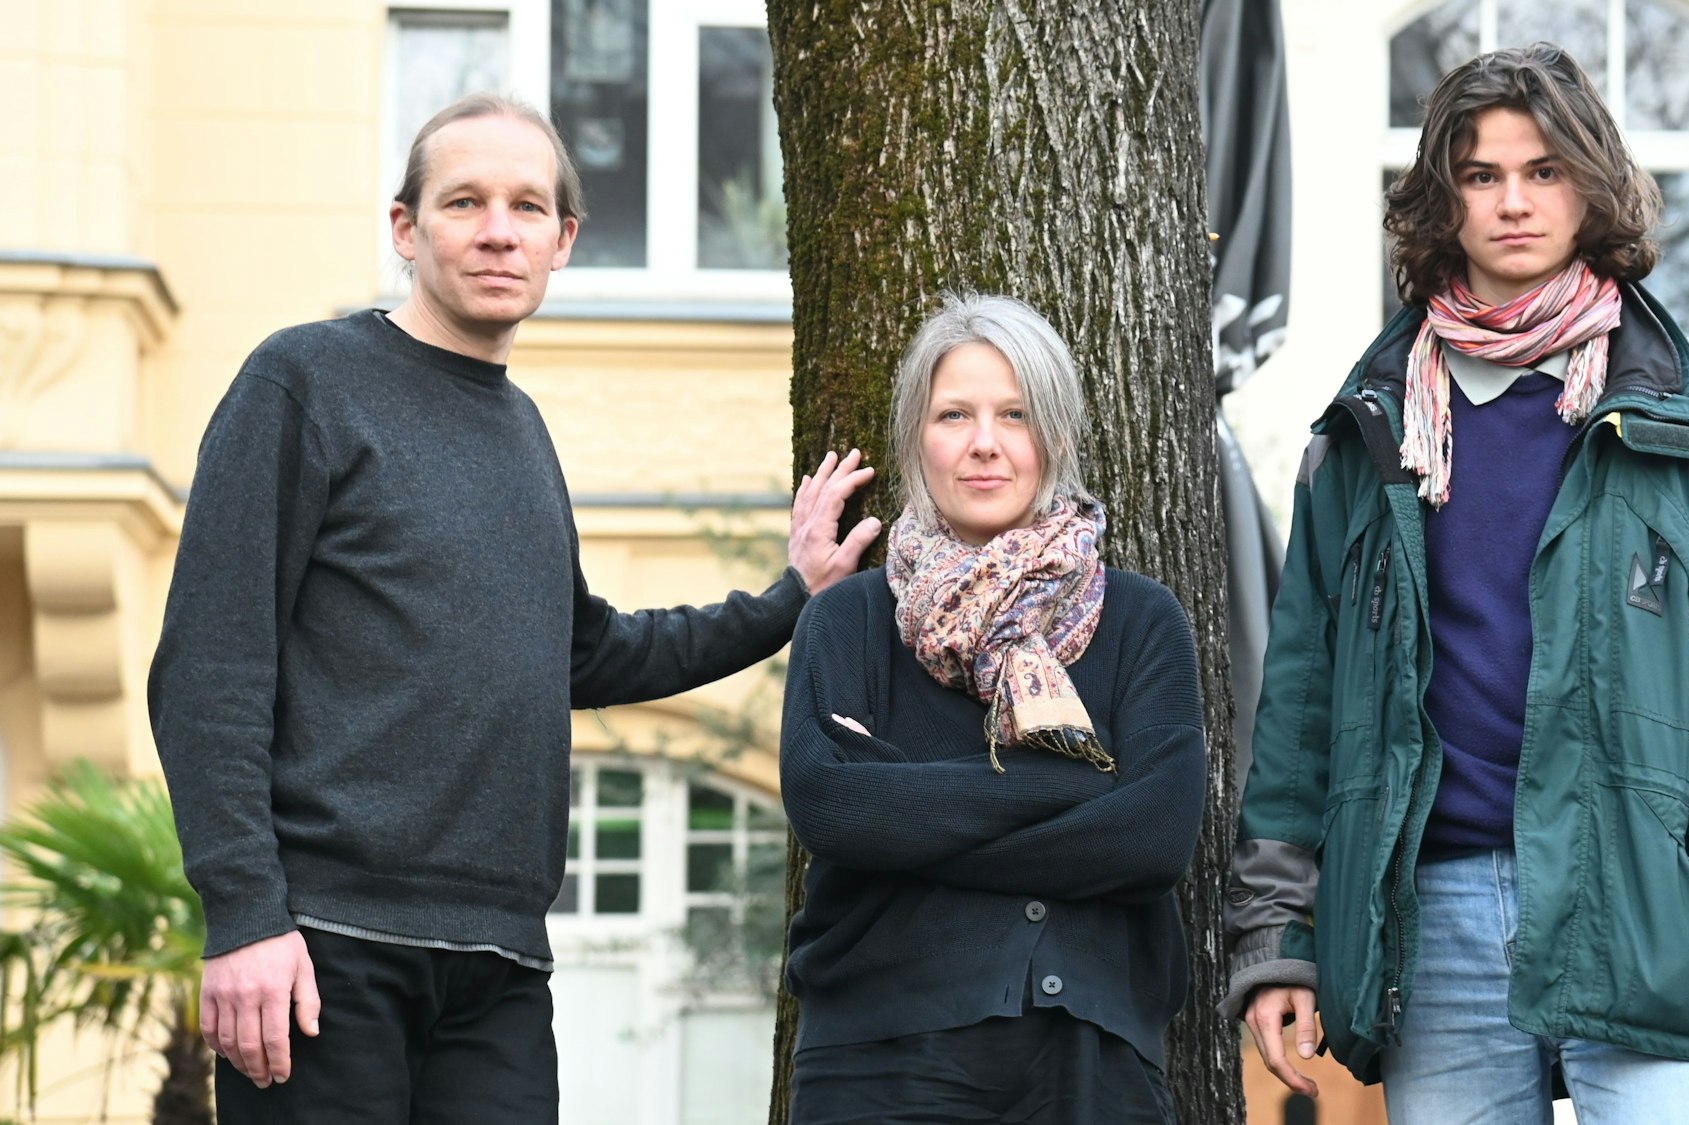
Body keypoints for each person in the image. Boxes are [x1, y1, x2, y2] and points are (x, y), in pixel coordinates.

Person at [147, 93, 879, 1122]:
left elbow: (585, 654)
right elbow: (210, 667)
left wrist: (789, 599)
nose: (499, 230)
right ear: (405, 227)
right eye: (464, 202)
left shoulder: (521, 434)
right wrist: (243, 918)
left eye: (528, 207)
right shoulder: (304, 381)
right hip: (320, 952)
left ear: (564, 238)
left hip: (498, 968)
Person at [1223, 44, 1689, 1123]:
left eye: (1542, 170)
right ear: (1442, 200)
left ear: (1589, 183)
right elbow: (1299, 714)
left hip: (1648, 911)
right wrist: (1280, 937)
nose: (1512, 201)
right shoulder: (1364, 428)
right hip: (1435, 925)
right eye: (1479, 175)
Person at [778, 293, 1206, 1124]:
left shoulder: (1140, 619)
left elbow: (1154, 837)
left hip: (1091, 1054)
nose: (984, 442)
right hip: (877, 1060)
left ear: (1057, 437)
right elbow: (833, 807)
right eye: (955, 414)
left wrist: (908, 809)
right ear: (917, 439)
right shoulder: (849, 619)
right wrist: (1076, 785)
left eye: (1015, 414)